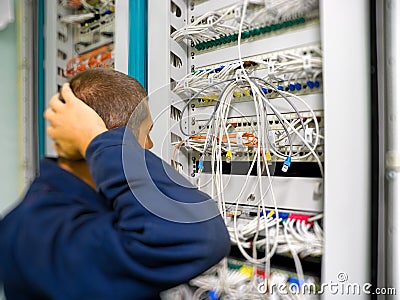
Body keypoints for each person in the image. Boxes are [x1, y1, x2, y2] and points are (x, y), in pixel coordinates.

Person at [0, 69, 230, 300]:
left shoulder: (45, 210)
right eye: (145, 133)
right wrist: (97, 138)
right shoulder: (45, 232)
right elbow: (199, 235)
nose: (148, 145)